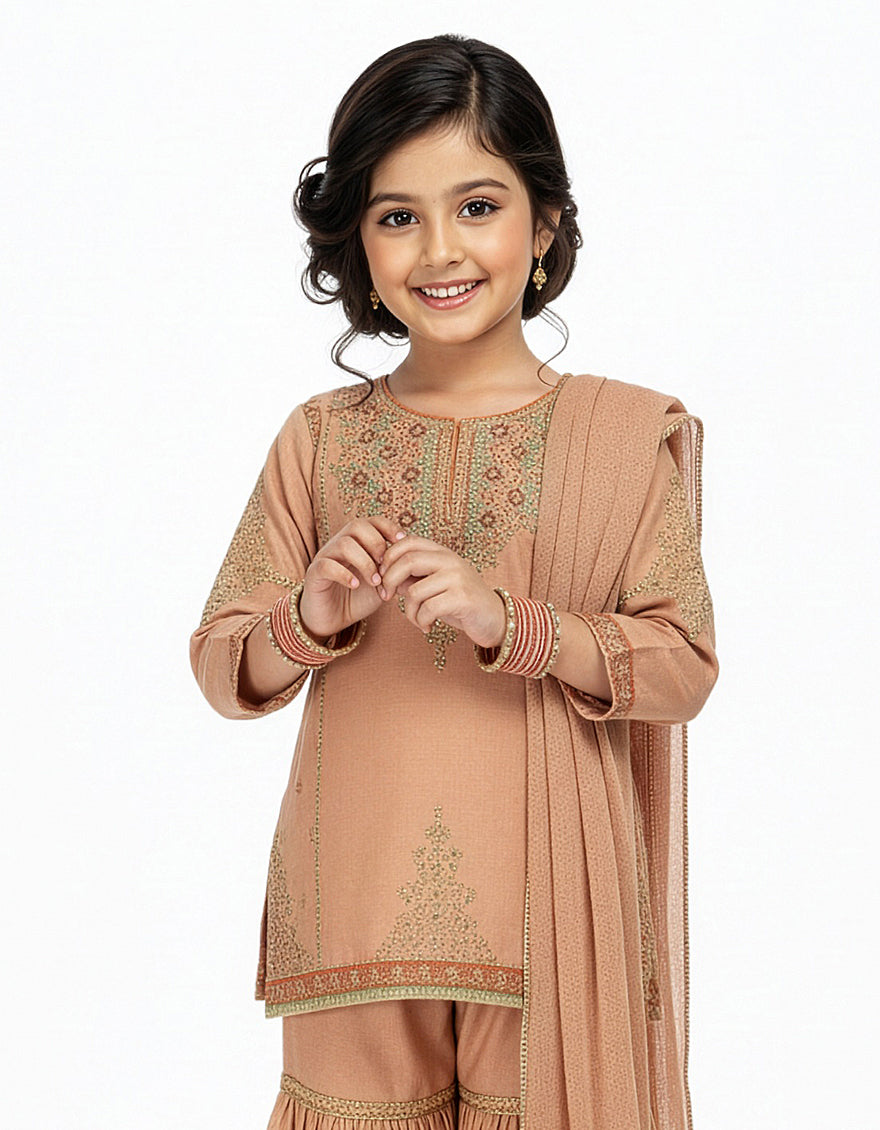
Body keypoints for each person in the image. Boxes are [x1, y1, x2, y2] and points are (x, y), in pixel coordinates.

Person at [189, 33, 719, 1130]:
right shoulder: (321, 437)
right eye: (397, 215)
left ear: (546, 223)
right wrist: (308, 617)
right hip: (350, 926)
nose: (439, 250)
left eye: (478, 206)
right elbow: (221, 664)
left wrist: (513, 623)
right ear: (358, 239)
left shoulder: (622, 439)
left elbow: (681, 665)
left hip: (550, 926)